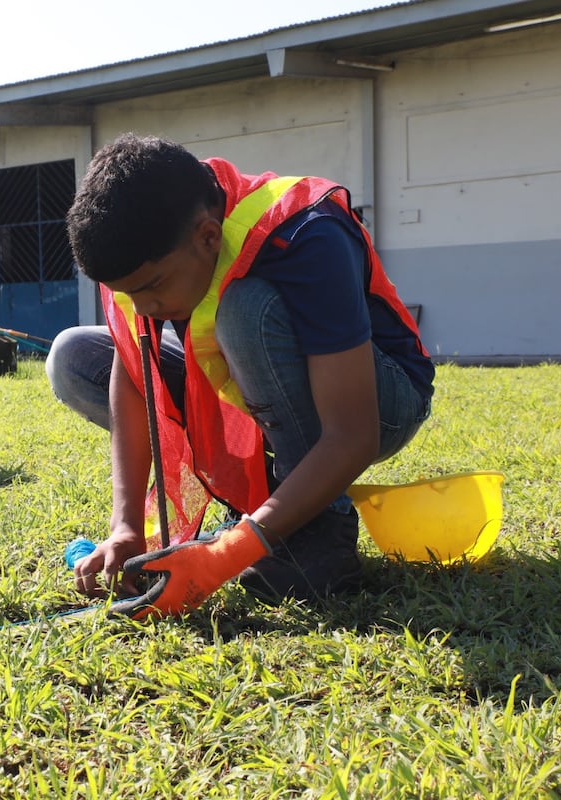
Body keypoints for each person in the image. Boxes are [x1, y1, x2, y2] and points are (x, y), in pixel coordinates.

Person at [46, 133, 434, 620]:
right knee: (74, 355)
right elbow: (134, 368)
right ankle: (264, 491)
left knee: (243, 312)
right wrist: (126, 526)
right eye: (126, 293)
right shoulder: (160, 241)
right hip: (257, 390)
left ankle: (315, 525)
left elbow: (354, 434)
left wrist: (224, 554)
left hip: (381, 401)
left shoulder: (305, 231)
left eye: (152, 288)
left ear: (209, 237)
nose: (142, 308)